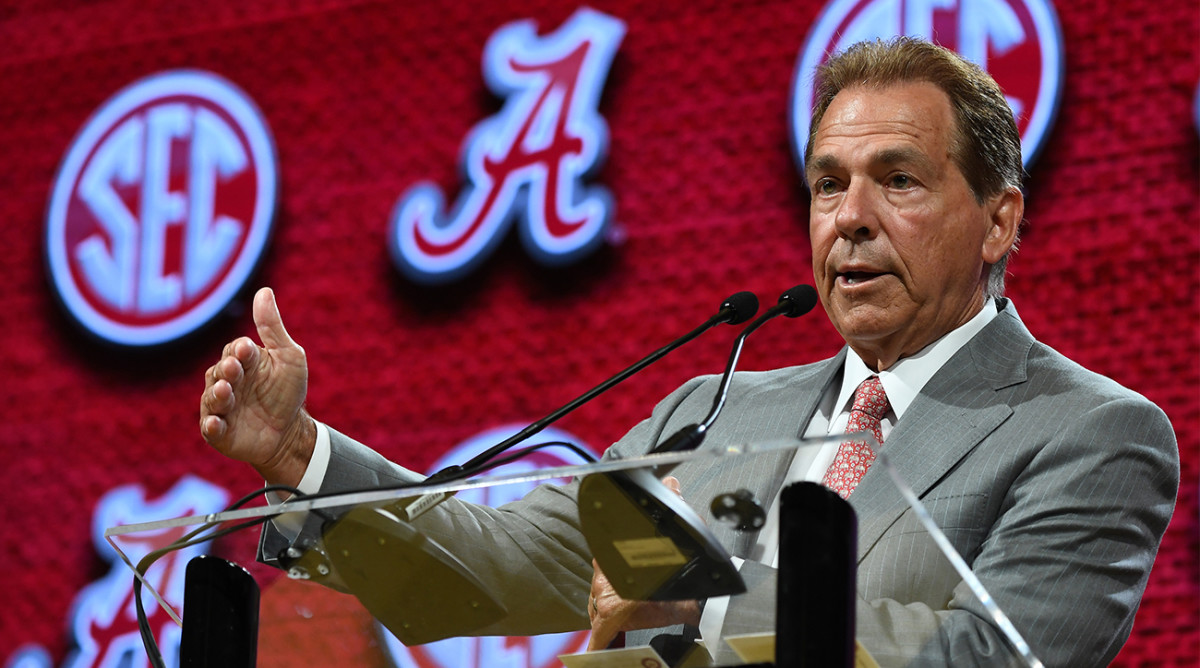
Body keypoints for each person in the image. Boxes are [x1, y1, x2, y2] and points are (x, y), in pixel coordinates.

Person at [199, 38, 1179, 667]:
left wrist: (694, 607)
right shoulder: (712, 412)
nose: (853, 220)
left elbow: (983, 660)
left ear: (999, 220)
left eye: (901, 180)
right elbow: (487, 567)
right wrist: (297, 454)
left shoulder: (1092, 432)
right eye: (828, 185)